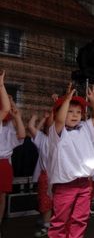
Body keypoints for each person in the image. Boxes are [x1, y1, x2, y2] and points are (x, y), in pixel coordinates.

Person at [47, 84, 94, 238]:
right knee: (60, 220)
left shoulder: (84, 127)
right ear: (60, 113)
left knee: (80, 218)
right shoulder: (57, 132)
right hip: (65, 185)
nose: (75, 115)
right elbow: (59, 120)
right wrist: (66, 100)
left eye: (78, 112)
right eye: (70, 111)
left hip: (84, 183)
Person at [0, 71, 24, 236]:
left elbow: (22, 135)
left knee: (1, 197)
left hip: (3, 163)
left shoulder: (8, 128)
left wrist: (17, 116)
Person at [28, 112, 52, 237]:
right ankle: (46, 225)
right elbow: (31, 127)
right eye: (49, 126)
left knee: (59, 202)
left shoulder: (65, 139)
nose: (51, 128)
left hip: (61, 176)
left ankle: (56, 225)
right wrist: (39, 118)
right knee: (45, 201)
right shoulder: (43, 138)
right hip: (46, 176)